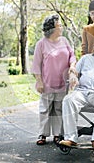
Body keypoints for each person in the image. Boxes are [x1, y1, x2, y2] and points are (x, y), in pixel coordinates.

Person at [31, 14, 77, 145]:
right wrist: (39, 81)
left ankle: (58, 134)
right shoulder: (41, 44)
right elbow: (36, 64)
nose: (61, 28)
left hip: (63, 83)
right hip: (47, 83)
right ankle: (43, 134)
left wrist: (72, 66)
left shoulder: (64, 41)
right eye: (59, 25)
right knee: (45, 109)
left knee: (58, 109)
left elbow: (72, 56)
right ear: (52, 28)